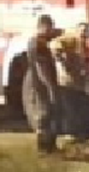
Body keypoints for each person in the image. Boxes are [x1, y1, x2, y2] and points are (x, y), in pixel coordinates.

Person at [51, 21, 89, 143]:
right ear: (77, 30)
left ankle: (83, 134)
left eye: (86, 31)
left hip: (80, 83)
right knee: (72, 109)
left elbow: (86, 63)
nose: (84, 33)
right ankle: (73, 134)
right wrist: (63, 61)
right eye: (82, 31)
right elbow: (55, 45)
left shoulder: (84, 46)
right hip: (68, 82)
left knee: (85, 108)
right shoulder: (71, 39)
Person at [26, 14, 62, 155]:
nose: (51, 30)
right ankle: (45, 148)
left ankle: (48, 147)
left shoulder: (35, 42)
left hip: (37, 82)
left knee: (46, 115)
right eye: (50, 27)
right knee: (44, 114)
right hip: (40, 84)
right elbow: (41, 67)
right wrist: (50, 87)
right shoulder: (39, 44)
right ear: (44, 26)